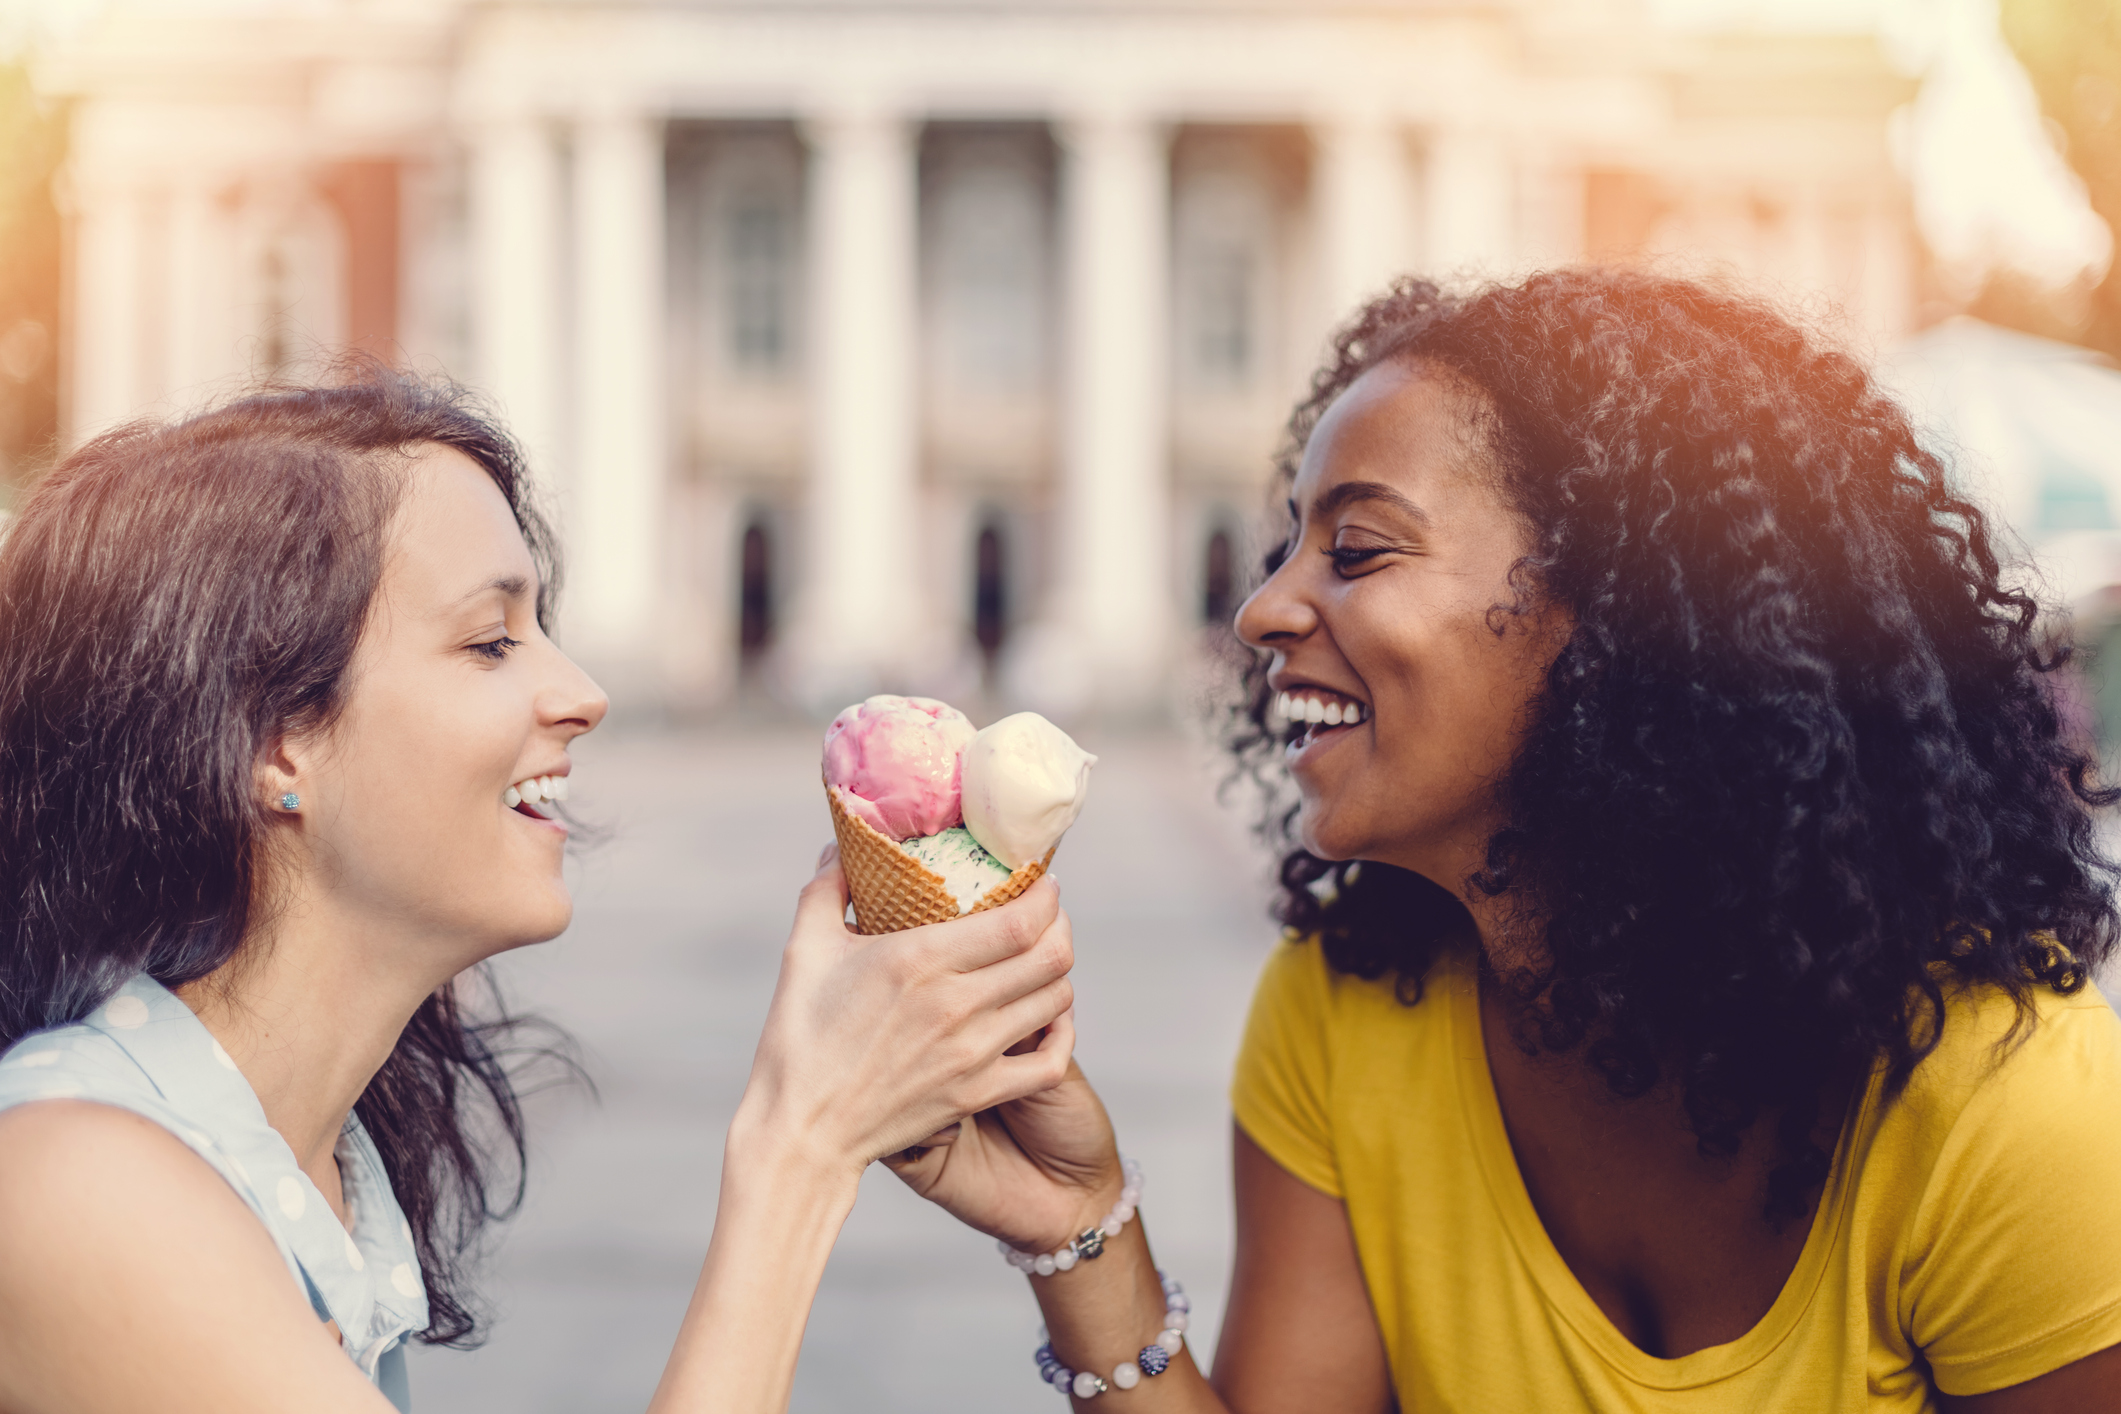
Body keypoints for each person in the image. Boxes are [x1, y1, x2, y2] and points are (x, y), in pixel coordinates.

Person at [889, 269, 2121, 1411]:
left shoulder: (2009, 1114)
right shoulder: (1343, 1011)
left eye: (1357, 548)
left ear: (1613, 620)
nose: (1263, 608)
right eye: (1286, 548)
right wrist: (1079, 1219)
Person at [0, 370, 1076, 1413]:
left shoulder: (318, 1159)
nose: (582, 692)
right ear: (274, 741)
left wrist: (1076, 1221)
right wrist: (802, 1142)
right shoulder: (72, 1184)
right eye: (490, 641)